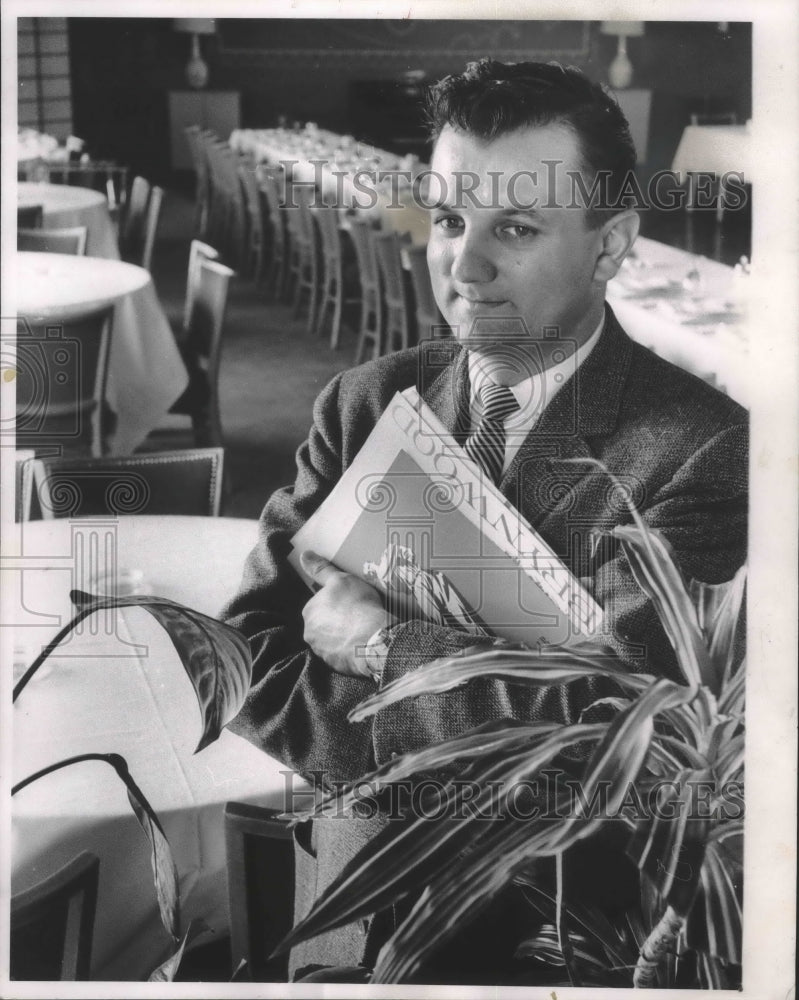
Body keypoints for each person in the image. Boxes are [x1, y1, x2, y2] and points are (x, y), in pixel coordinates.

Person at [222, 59, 748, 981]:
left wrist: (382, 648)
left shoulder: (702, 450)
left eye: (514, 227)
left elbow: (604, 739)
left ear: (610, 242)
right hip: (342, 915)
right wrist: (485, 726)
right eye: (451, 220)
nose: (462, 267)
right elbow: (238, 661)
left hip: (547, 944)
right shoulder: (363, 403)